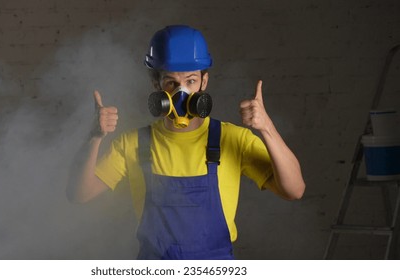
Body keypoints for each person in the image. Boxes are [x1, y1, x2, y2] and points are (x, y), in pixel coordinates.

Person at [66, 25, 305, 260]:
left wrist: (267, 128)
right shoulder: (133, 144)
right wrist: (94, 137)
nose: (181, 93)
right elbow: (79, 194)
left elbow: (294, 190)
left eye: (190, 81)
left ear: (204, 81)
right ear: (156, 83)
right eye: (171, 82)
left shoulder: (232, 139)